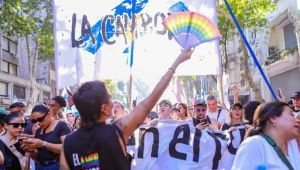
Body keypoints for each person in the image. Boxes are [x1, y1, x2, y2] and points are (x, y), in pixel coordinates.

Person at [60, 48, 194, 170]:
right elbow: (149, 102)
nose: (113, 102)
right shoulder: (117, 131)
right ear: (105, 108)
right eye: (110, 98)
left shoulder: (67, 144)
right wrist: (175, 64)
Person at [232, 102, 300, 169]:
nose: (297, 120)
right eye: (291, 114)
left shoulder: (292, 144)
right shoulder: (254, 144)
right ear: (273, 118)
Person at [22, 104, 72, 169]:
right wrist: (31, 149)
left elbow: (68, 148)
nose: (38, 123)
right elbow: (36, 156)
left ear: (49, 113)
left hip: (57, 165)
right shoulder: (38, 131)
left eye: (40, 119)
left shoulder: (61, 125)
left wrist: (44, 144)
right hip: (40, 166)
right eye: (34, 121)